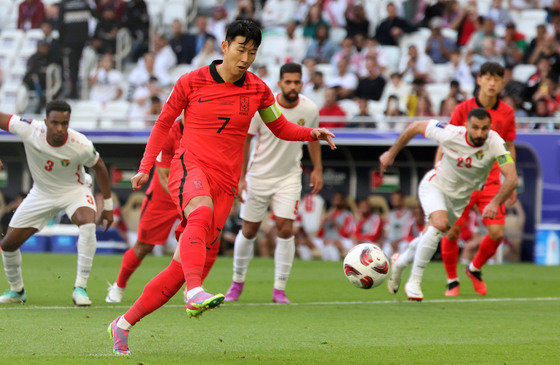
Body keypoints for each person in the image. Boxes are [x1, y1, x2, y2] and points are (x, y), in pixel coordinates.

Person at [107, 20, 335, 356]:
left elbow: (282, 127)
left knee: (178, 270)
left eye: (253, 52)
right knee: (200, 212)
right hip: (190, 166)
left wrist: (310, 133)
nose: (246, 57)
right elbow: (163, 123)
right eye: (241, 48)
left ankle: (123, 323)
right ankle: (196, 291)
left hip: (226, 184)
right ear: (225, 46)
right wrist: (144, 168)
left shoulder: (258, 90)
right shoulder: (190, 81)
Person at [383, 108, 518, 300]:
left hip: (458, 201)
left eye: (484, 129)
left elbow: (512, 178)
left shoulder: (494, 141)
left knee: (431, 234)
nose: (480, 133)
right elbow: (415, 126)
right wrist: (391, 153)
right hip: (434, 186)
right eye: (475, 128)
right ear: (466, 126)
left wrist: (495, 203)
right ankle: (414, 282)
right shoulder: (451, 133)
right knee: (439, 224)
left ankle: (399, 263)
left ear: (490, 128)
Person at [224, 62, 322, 304]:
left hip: (289, 177)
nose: (292, 86)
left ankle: (279, 288)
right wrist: (241, 176)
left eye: (296, 82)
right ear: (279, 84)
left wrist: (318, 168)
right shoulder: (263, 107)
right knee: (249, 231)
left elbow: (313, 138)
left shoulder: (310, 109)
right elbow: (246, 140)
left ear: (302, 83)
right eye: (287, 82)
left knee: (286, 229)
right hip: (258, 176)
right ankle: (237, 283)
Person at [0, 100, 113, 305]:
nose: (60, 128)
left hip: (74, 191)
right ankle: (17, 291)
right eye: (55, 123)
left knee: (88, 223)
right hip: (41, 193)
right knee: (8, 245)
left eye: (65, 123)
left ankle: (80, 288)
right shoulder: (30, 129)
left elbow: (101, 168)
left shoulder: (81, 145)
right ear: (46, 121)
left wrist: (108, 206)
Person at [438, 62, 517, 297]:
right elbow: (447, 139)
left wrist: (510, 181)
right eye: (488, 78)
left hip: (491, 181)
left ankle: (474, 268)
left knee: (497, 234)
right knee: (451, 232)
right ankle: (452, 280)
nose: (492, 83)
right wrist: (440, 168)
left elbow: (509, 145)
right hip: (462, 180)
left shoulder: (507, 113)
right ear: (479, 80)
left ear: (503, 83)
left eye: (497, 79)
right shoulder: (463, 109)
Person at [106, 118, 183, 303]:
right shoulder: (170, 130)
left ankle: (193, 289)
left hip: (193, 191)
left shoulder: (207, 127)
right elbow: (163, 176)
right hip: (163, 196)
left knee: (203, 240)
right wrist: (180, 199)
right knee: (143, 246)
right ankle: (119, 285)